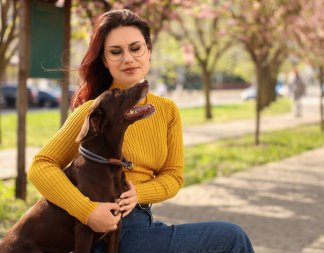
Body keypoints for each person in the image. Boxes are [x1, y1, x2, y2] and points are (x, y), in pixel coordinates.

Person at [28, 9, 255, 253]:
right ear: (104, 61)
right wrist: (87, 210)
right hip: (107, 232)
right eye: (116, 52)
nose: (128, 58)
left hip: (143, 225)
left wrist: (139, 193)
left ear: (149, 51)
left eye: (136, 48)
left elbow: (173, 176)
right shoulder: (94, 111)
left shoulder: (167, 111)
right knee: (231, 238)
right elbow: (41, 165)